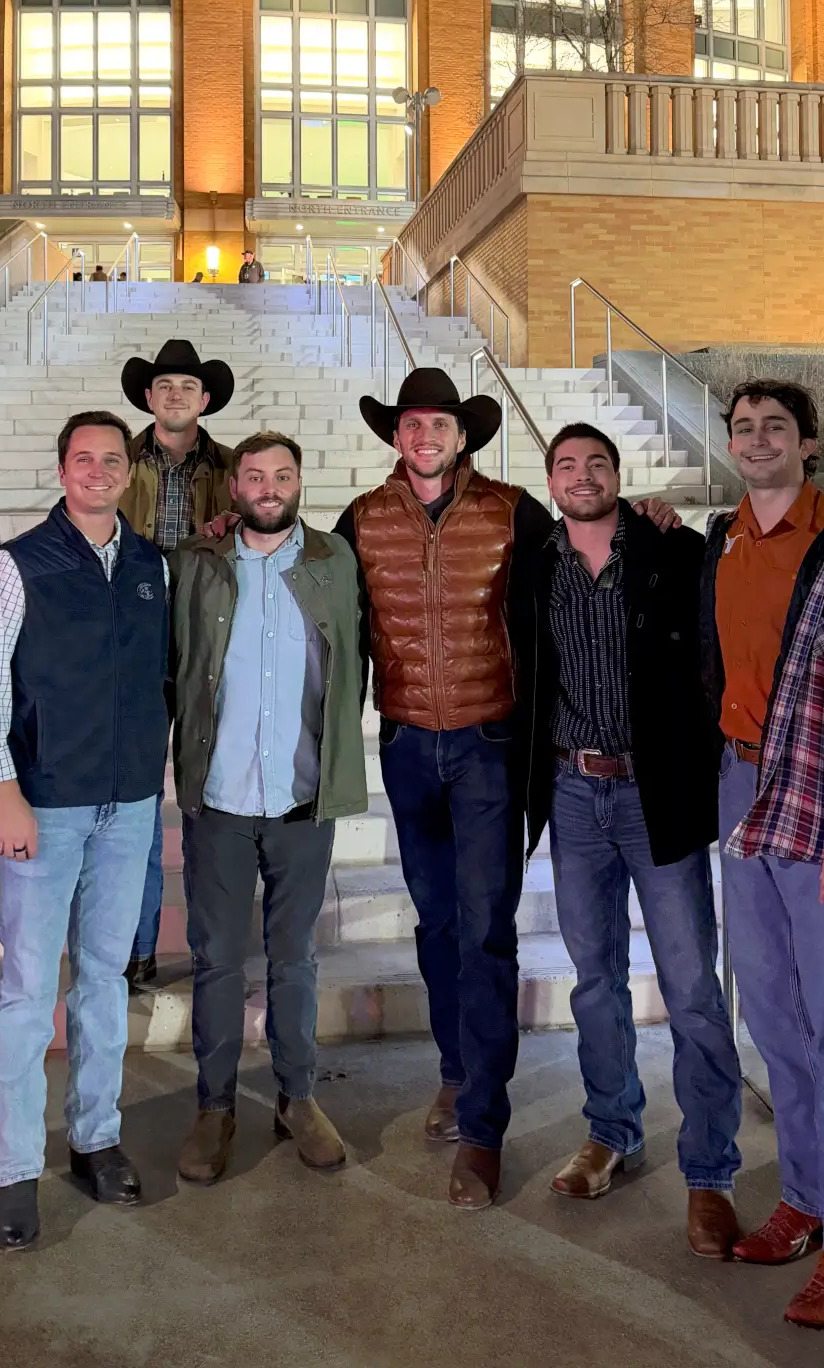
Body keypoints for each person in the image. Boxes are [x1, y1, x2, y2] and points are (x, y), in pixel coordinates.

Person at [333, 368, 553, 1211]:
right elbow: (321, 601)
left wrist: (644, 522)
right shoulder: (362, 519)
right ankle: (457, 1071)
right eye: (413, 423)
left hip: (489, 743)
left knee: (486, 930)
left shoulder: (511, 512)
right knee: (436, 923)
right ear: (396, 435)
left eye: (441, 424)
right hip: (406, 744)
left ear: (463, 437)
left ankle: (484, 1128)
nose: (425, 436)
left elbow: (575, 569)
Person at [0, 411, 170, 1252]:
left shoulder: (151, 565)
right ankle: (14, 1171)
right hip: (44, 804)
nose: (99, 471)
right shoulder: (14, 566)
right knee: (26, 991)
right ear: (61, 469)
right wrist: (3, 793)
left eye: (113, 459)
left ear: (129, 472)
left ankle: (95, 1138)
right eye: (84, 458)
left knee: (105, 981)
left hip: (129, 805)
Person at [704, 379, 824, 1329]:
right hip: (741, 791)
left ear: (809, 443)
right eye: (742, 427)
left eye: (774, 426)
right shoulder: (723, 537)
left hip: (823, 804)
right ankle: (808, 1198)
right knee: (776, 1020)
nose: (756, 439)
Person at [528, 425, 743, 1258]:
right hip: (574, 791)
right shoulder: (535, 563)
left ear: (619, 476)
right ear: (550, 482)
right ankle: (611, 1130)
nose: (582, 477)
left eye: (597, 464)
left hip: (656, 792)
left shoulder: (670, 550)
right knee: (594, 979)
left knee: (690, 988)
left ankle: (711, 1169)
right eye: (567, 466)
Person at [170, 434, 366, 1186]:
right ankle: (214, 1106)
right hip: (219, 797)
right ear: (234, 487)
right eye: (255, 475)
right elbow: (177, 661)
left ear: (300, 481)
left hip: (300, 797)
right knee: (218, 959)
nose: (269, 486)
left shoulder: (334, 560)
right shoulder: (198, 562)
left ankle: (298, 1097)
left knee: (295, 958)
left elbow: (357, 658)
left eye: (283, 474)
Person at [118, 339, 234, 989]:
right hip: (133, 647)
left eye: (188, 386)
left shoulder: (236, 469)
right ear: (148, 396)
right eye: (164, 385)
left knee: (208, 803)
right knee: (136, 801)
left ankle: (214, 948)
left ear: (205, 399)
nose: (175, 395)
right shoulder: (118, 460)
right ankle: (137, 946)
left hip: (206, 647)